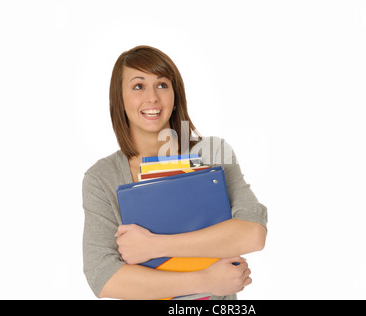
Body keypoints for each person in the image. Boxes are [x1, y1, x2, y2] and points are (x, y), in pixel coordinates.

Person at [82, 45, 268, 300]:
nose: (152, 98)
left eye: (162, 84)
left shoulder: (212, 153)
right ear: (119, 98)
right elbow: (104, 278)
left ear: (175, 94)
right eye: (138, 86)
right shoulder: (102, 178)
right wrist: (205, 281)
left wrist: (152, 246)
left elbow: (253, 233)